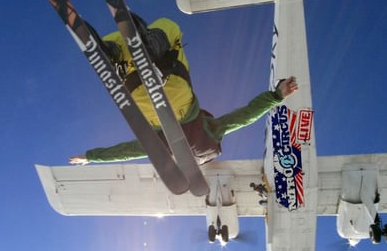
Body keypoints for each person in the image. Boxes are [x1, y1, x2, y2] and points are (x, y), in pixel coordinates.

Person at [70, 15, 299, 165]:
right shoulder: (161, 147)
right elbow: (125, 151)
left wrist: (276, 96)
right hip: (141, 98)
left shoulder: (210, 133)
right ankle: (124, 53)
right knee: (128, 60)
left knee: (170, 28)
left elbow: (245, 116)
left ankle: (139, 47)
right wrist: (91, 157)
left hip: (174, 91)